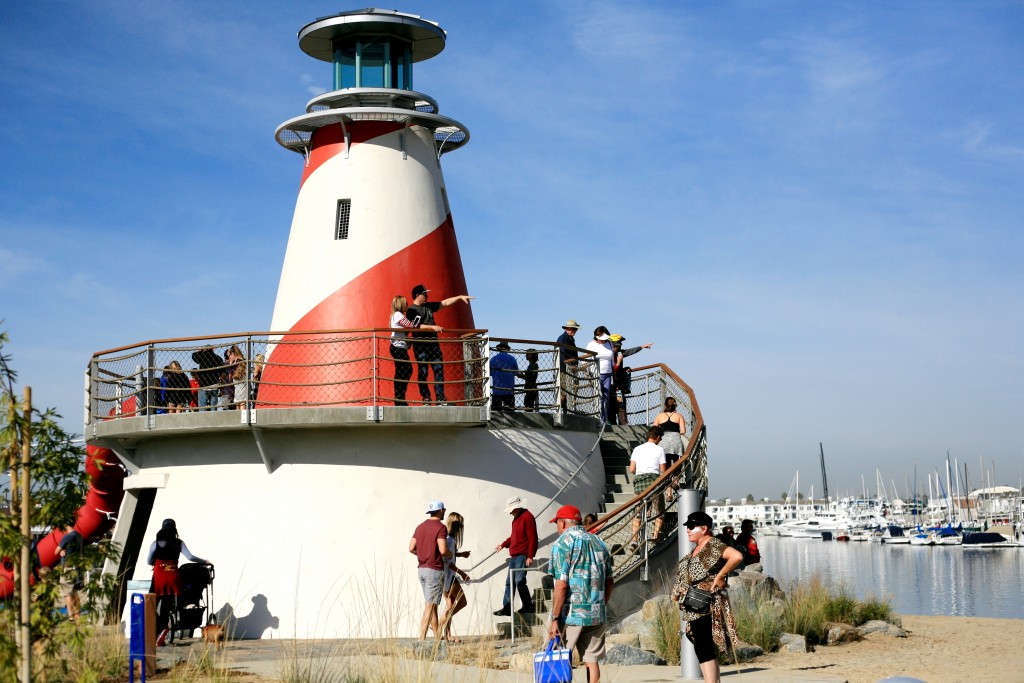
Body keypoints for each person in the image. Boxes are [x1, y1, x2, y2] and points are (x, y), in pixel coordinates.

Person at [672, 511, 743, 683]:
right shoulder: (697, 548)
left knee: (704, 647)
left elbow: (737, 556)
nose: (687, 530)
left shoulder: (712, 545)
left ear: (704, 529)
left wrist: (720, 576)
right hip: (693, 604)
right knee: (701, 647)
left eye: (691, 527)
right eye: (687, 527)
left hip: (704, 603)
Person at [547, 504, 614, 683]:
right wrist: (601, 605)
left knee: (558, 658)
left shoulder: (562, 544)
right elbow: (609, 581)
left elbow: (561, 585)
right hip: (596, 611)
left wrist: (554, 618)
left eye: (556, 523)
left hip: (571, 615)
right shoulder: (599, 542)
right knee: (591, 660)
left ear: (562, 523)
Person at [406, 284, 474, 405]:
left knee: (438, 370)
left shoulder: (429, 306)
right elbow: (415, 326)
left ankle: (440, 398)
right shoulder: (411, 310)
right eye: (424, 294)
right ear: (418, 295)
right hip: (421, 345)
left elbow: (445, 303)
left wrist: (459, 297)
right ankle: (426, 398)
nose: (427, 296)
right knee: (423, 372)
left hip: (434, 345)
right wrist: (432, 327)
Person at [147, 519, 211, 646]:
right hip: (173, 578)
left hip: (159, 578)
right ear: (174, 529)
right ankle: (162, 630)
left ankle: (160, 629)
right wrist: (204, 561)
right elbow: (190, 557)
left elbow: (149, 561)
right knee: (165, 608)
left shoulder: (156, 544)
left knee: (150, 605)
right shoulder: (179, 543)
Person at [409, 500, 451, 640]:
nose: (444, 511)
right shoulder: (441, 527)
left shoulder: (420, 526)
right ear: (440, 510)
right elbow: (443, 550)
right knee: (429, 606)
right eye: (443, 509)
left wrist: (422, 554)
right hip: (434, 570)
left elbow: (411, 548)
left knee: (432, 606)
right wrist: (451, 554)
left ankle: (437, 637)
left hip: (422, 569)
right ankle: (421, 640)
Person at [390, 295, 440, 406]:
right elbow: (410, 326)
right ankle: (399, 398)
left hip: (399, 346)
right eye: (405, 303)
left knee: (403, 371)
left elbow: (404, 328)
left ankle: (400, 398)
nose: (407, 305)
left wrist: (407, 338)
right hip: (398, 347)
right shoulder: (398, 314)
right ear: (400, 304)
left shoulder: (397, 315)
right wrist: (422, 325)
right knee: (404, 371)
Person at [493, 495, 537, 615]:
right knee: (510, 582)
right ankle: (507, 608)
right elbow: (514, 537)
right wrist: (503, 545)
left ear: (517, 508)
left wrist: (530, 556)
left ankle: (528, 606)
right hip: (514, 556)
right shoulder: (516, 519)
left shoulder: (528, 517)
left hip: (522, 555)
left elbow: (533, 538)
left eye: (511, 510)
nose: (510, 513)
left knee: (519, 581)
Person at [630, 425, 667, 545]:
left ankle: (635, 540)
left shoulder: (637, 449)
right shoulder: (659, 450)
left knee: (638, 512)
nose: (660, 441)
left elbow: (632, 469)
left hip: (640, 483)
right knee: (660, 511)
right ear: (657, 437)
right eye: (660, 438)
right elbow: (663, 470)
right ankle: (655, 537)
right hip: (654, 482)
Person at [439, 511, 471, 643]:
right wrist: (462, 573)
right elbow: (447, 561)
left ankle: (447, 634)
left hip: (444, 576)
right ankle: (442, 621)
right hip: (449, 576)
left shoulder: (447, 538)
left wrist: (459, 555)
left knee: (450, 604)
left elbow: (448, 556)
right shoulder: (450, 540)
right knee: (462, 602)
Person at [607, 334, 652, 424]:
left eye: (619, 345)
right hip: (609, 387)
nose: (618, 347)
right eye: (617, 345)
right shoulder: (607, 356)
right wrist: (618, 363)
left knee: (620, 405)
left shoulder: (619, 353)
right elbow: (611, 370)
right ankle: (613, 425)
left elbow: (630, 351)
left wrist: (642, 346)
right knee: (612, 408)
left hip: (617, 387)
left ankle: (623, 424)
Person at [585, 326, 615, 421]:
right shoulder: (591, 345)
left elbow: (612, 359)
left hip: (608, 374)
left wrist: (613, 374)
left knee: (606, 398)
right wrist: (587, 372)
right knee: (599, 397)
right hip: (596, 374)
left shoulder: (609, 343)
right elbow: (586, 359)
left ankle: (605, 419)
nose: (601, 341)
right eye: (599, 338)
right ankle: (598, 419)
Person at [54, 528, 83, 621]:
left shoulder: (68, 536)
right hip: (77, 568)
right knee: (75, 593)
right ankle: (77, 614)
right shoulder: (79, 536)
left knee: (67, 594)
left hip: (68, 568)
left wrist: (61, 550)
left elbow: (56, 551)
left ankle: (71, 616)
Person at [653, 397, 688, 469]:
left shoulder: (659, 416)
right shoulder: (679, 416)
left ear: (665, 405)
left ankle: (666, 479)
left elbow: (654, 430)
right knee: (677, 466)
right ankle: (676, 479)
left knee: (665, 465)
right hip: (676, 442)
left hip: (663, 443)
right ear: (675, 405)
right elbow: (683, 431)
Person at [555, 320, 580, 412]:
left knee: (573, 387)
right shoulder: (563, 339)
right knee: (565, 391)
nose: (574, 331)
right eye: (573, 329)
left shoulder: (569, 338)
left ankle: (569, 409)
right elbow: (562, 356)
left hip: (570, 368)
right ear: (567, 328)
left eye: (575, 329)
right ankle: (563, 410)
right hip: (564, 370)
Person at [489, 341, 519, 411]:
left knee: (496, 412)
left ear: (499, 348)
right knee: (510, 412)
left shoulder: (493, 359)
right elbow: (516, 372)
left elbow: (489, 373)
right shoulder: (512, 359)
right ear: (507, 349)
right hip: (509, 390)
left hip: (497, 390)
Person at [191, 345, 223, 410]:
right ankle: (213, 418)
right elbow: (222, 370)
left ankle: (202, 419)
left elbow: (194, 355)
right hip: (214, 384)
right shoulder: (218, 358)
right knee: (213, 406)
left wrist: (201, 351)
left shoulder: (202, 356)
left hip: (204, 384)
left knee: (202, 406)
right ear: (213, 349)